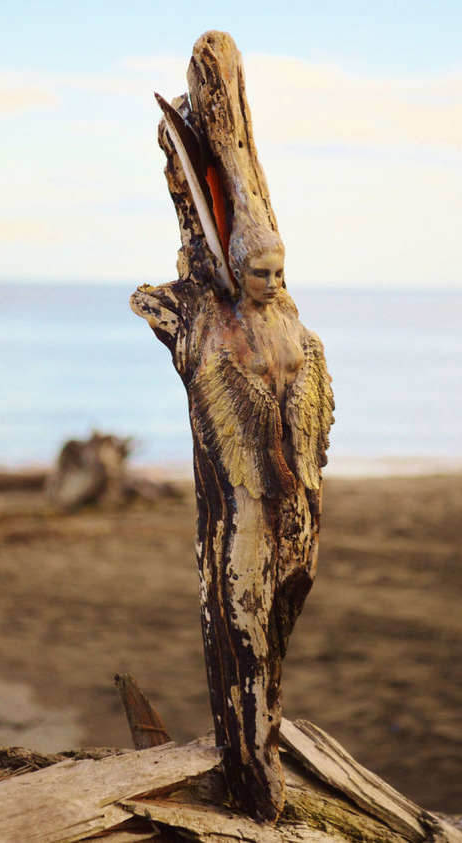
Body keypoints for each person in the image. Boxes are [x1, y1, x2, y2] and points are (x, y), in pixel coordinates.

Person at [131, 227, 333, 821]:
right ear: (236, 274)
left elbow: (310, 394)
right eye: (258, 274)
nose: (271, 284)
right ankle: (251, 765)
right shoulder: (216, 328)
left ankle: (266, 733)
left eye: (279, 272)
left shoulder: (294, 325)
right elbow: (215, 401)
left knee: (290, 603)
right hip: (243, 508)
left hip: (296, 497)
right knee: (243, 626)